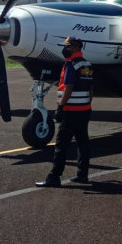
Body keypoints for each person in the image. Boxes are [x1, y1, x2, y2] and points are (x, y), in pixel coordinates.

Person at [36, 37, 94, 188]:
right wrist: (87, 103)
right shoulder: (86, 63)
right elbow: (91, 87)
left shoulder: (70, 65)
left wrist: (60, 107)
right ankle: (82, 175)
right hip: (84, 109)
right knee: (83, 143)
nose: (64, 49)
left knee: (61, 144)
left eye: (67, 46)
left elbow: (68, 87)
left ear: (75, 47)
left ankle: (54, 177)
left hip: (71, 111)